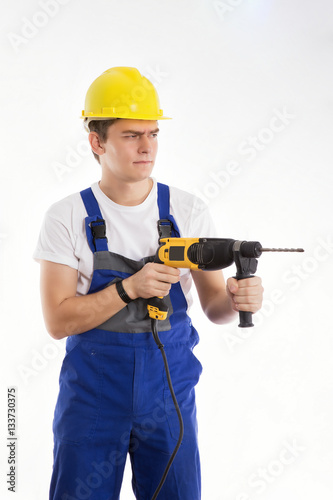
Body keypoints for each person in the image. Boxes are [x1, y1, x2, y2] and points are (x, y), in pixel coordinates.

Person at [34, 67, 263, 500]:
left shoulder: (186, 209)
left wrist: (237, 299)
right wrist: (128, 289)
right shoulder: (66, 217)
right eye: (131, 135)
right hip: (93, 399)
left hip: (169, 397)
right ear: (96, 142)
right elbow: (58, 320)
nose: (147, 147)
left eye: (154, 134)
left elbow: (215, 307)